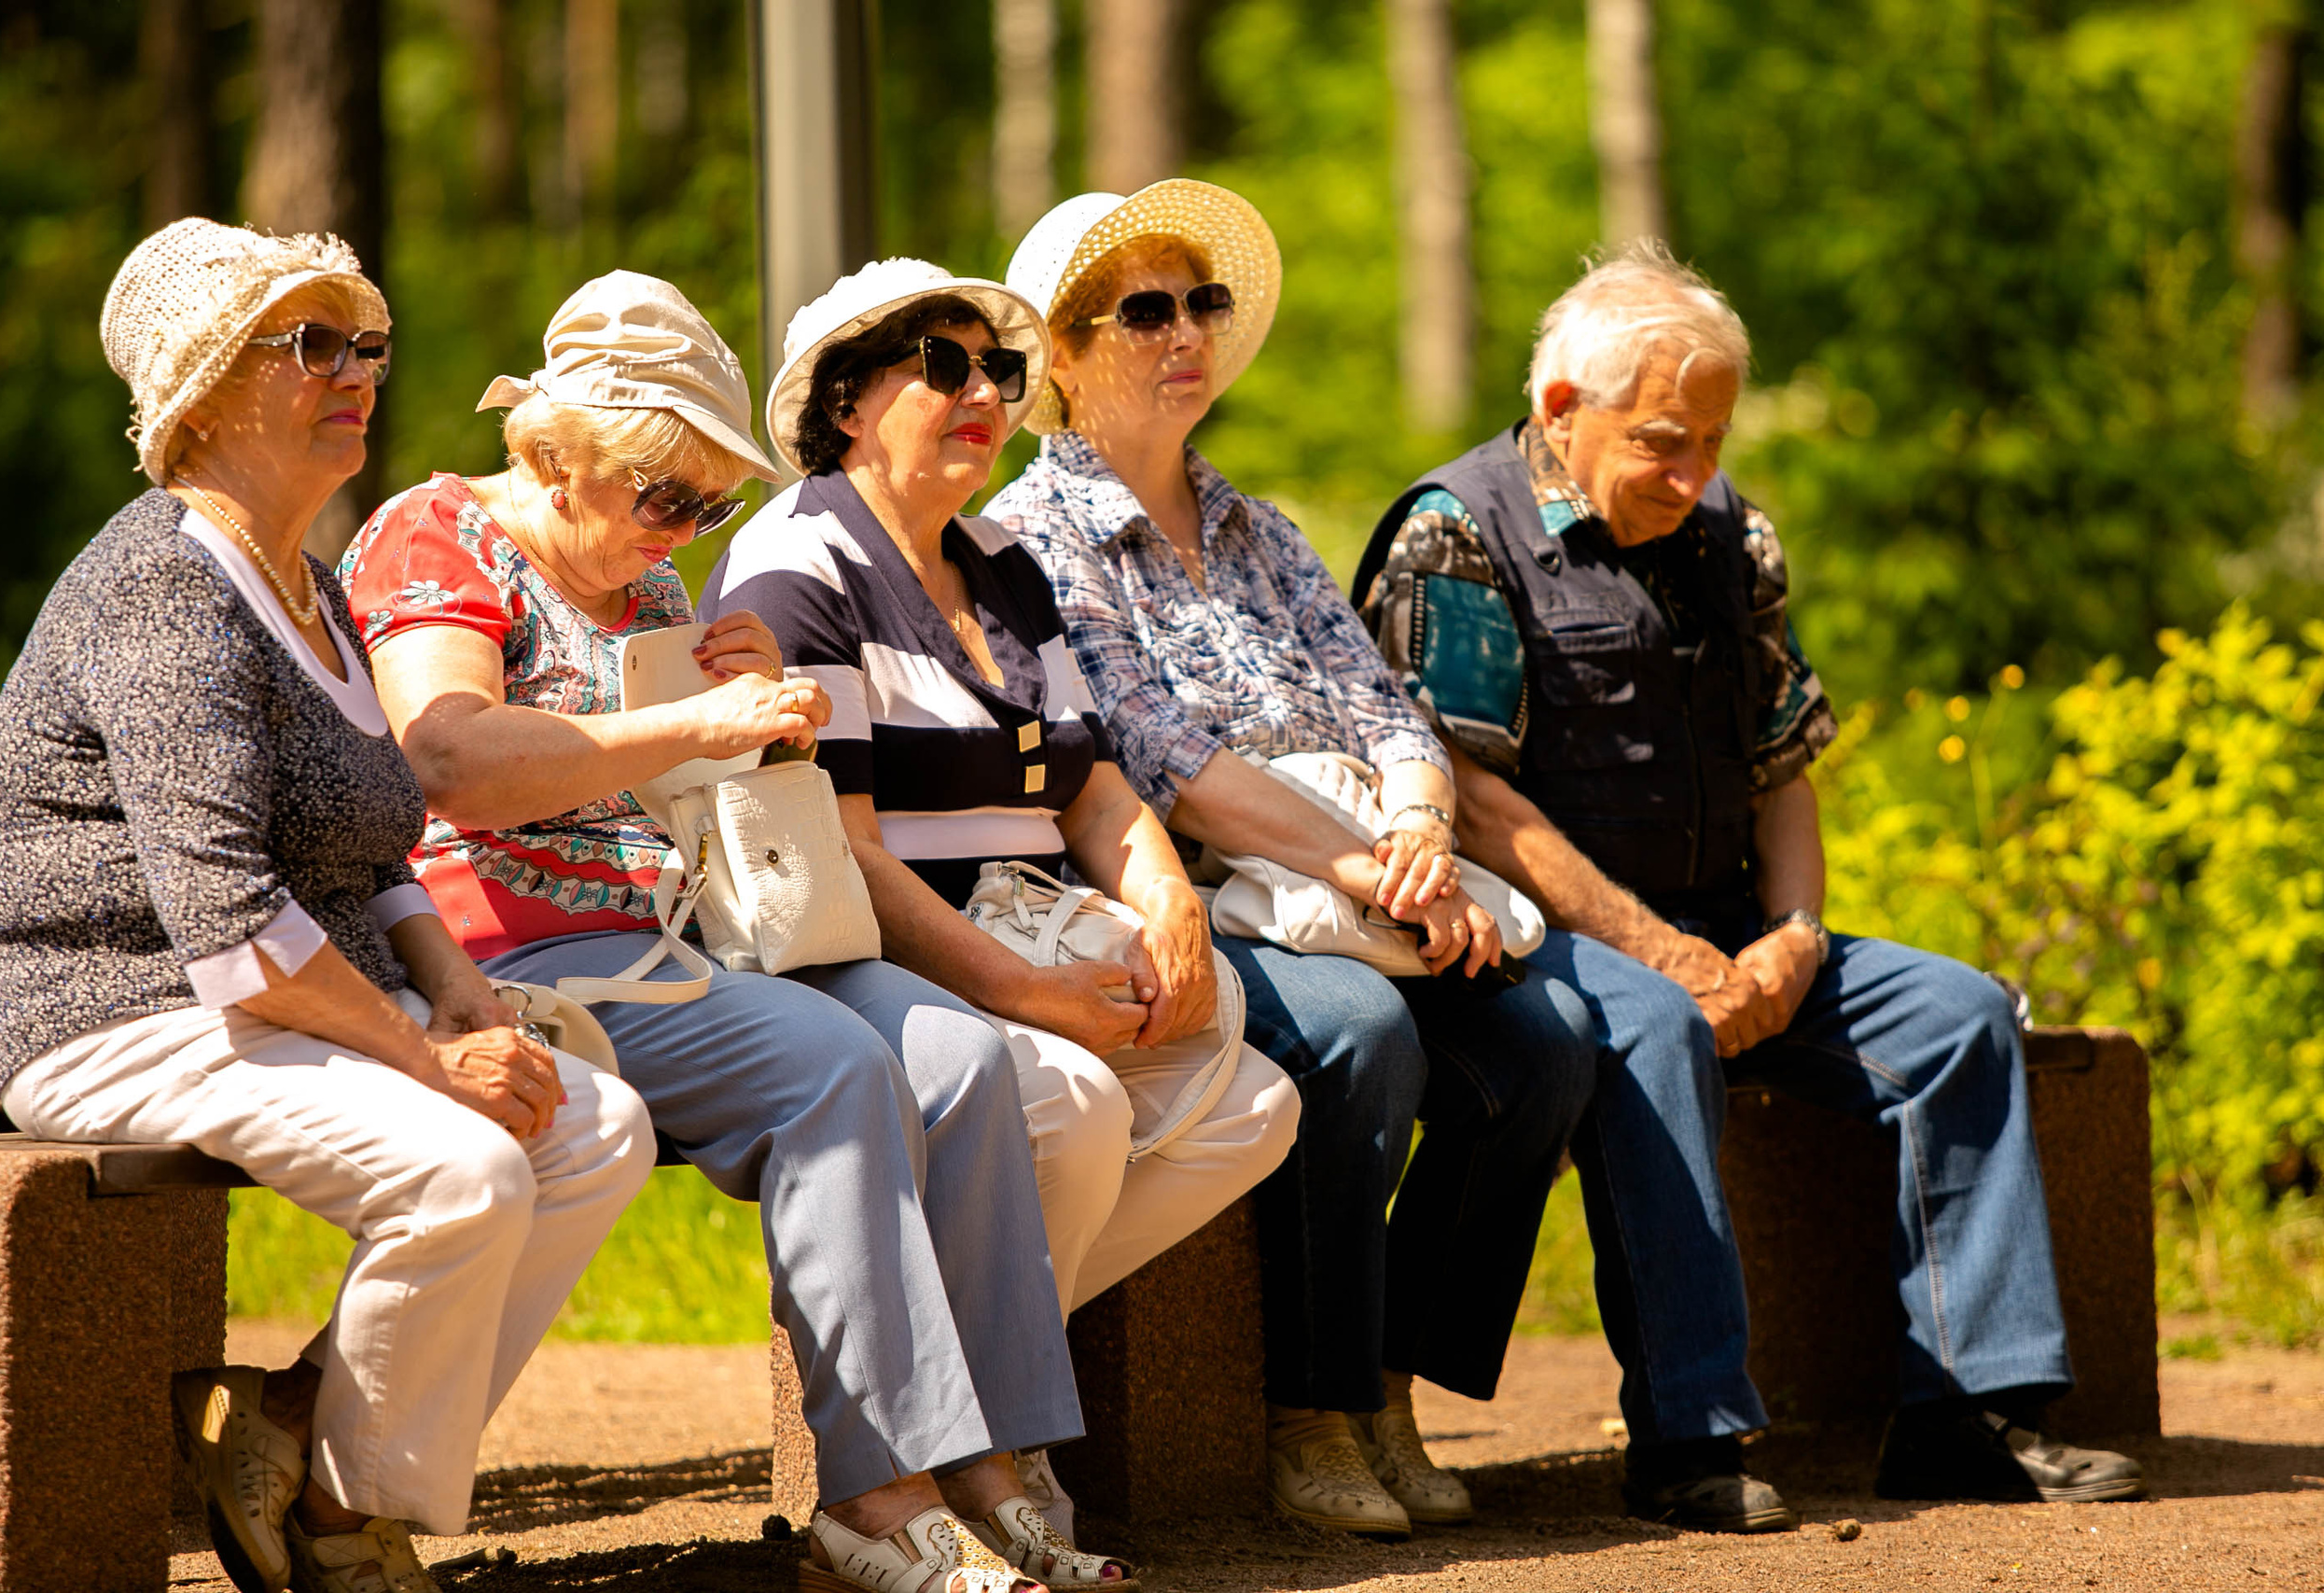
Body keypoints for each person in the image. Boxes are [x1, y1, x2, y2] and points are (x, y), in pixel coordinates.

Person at [1352, 238, 2147, 1529]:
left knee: (1958, 1018)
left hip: (1721, 921)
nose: (1697, 474)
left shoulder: (1734, 531)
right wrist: (1668, 956)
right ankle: (1688, 1436)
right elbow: (1476, 804)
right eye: (1666, 441)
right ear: (1563, 408)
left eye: (1713, 441)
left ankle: (1968, 1417)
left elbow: (1785, 769)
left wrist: (1794, 934)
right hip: (1534, 939)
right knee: (1659, 1028)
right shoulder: (1454, 533)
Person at [343, 271, 1099, 1593]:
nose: (685, 526)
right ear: (556, 454)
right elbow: (447, 758)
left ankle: (995, 1460)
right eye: (665, 497)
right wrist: (696, 725)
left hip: (675, 936)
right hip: (496, 946)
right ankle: (876, 1496)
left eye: (710, 502)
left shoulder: (649, 586)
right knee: (834, 1067)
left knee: (961, 1060)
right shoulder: (439, 534)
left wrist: (750, 709)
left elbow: (688, 794)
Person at [0, 219, 654, 1593]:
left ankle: (293, 1434)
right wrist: (426, 1055)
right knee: (461, 1170)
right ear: (211, 387)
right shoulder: (164, 587)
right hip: (125, 1013)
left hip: (284, 998)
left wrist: (453, 983)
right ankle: (346, 1535)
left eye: (369, 347)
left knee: (594, 1129)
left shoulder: (308, 583)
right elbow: (224, 916)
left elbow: (369, 841)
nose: (361, 372)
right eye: (315, 346)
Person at [985, 182, 1598, 1540]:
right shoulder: (1035, 539)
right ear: (1066, 355)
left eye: (1202, 303)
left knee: (1551, 1042)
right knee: (1360, 1033)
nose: (1186, 332)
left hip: (1374, 875)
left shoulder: (1261, 527)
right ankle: (1309, 1418)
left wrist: (1425, 828)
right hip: (1202, 898)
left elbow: (1386, 704)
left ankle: (1386, 1387)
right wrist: (1374, 867)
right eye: (1144, 309)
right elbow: (1161, 761)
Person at [703, 258, 1300, 1535]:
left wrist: (1169, 906)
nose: (985, 394)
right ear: (851, 400)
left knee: (1255, 1103)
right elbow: (846, 850)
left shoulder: (1003, 555)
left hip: (1038, 937)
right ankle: (1000, 1447)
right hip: (881, 963)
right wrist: (1029, 994)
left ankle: (951, 1380)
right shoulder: (796, 562)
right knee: (1073, 1100)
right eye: (946, 366)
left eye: (1004, 371)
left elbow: (1091, 789)